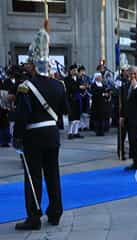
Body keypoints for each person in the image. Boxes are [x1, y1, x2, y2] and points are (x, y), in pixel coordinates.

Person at [12, 29, 68, 230]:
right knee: (53, 174)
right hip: (52, 135)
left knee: (33, 176)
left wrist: (17, 137)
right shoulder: (59, 85)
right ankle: (55, 213)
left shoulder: (26, 86)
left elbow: (22, 116)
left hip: (33, 136)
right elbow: (64, 111)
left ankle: (34, 217)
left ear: (34, 65)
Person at [64, 64, 86, 139]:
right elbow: (70, 88)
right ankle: (70, 132)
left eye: (76, 70)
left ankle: (76, 132)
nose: (75, 71)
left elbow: (80, 86)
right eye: (74, 70)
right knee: (72, 116)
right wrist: (79, 87)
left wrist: (83, 87)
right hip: (71, 99)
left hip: (78, 98)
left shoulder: (78, 78)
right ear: (70, 71)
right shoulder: (67, 79)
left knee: (77, 116)